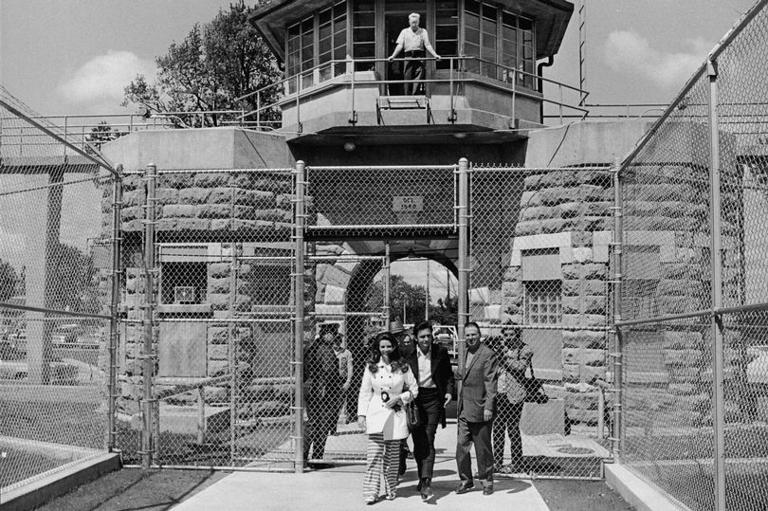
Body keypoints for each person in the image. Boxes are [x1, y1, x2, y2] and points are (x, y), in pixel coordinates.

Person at [358, 333, 418, 505]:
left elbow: (414, 389)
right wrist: (361, 414)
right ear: (378, 348)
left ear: (394, 347)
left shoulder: (403, 366)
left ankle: (391, 488)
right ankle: (371, 492)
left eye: (388, 346)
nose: (385, 350)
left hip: (395, 415)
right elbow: (365, 392)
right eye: (382, 346)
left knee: (392, 457)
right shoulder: (371, 367)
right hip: (376, 415)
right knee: (374, 455)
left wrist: (400, 398)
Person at [403, 321, 455, 501]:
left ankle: (426, 481)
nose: (426, 339)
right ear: (416, 338)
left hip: (433, 398)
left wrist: (449, 392)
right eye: (422, 336)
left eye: (428, 335)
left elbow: (449, 375)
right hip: (415, 399)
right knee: (418, 442)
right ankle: (421, 476)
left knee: (429, 438)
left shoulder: (440, 352)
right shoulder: (408, 354)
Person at [455, 322, 498, 496]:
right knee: (461, 447)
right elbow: (463, 375)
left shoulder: (488, 354)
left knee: (483, 449)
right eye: (468, 335)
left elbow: (491, 383)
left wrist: (489, 407)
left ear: (479, 335)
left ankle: (487, 481)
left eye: (474, 334)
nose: (471, 338)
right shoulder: (464, 353)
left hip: (481, 409)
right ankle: (466, 480)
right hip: (464, 409)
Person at [492, 323, 533, 473]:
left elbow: (520, 367)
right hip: (499, 393)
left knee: (513, 429)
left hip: (514, 395)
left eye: (511, 334)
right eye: (506, 335)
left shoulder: (524, 349)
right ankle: (497, 462)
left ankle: (516, 463)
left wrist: (504, 358)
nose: (508, 337)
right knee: (498, 429)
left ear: (517, 334)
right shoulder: (501, 349)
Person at [304, 323, 344, 466]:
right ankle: (317, 459)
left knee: (313, 423)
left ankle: (302, 458)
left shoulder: (311, 348)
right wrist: (337, 387)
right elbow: (330, 372)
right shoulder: (325, 349)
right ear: (327, 334)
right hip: (323, 392)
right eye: (332, 334)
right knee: (321, 425)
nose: (333, 337)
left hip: (311, 390)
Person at [388, 13, 440, 95]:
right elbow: (400, 45)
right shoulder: (404, 31)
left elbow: (427, 44)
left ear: (419, 22)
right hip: (408, 55)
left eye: (416, 22)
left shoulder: (423, 31)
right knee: (407, 76)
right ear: (409, 22)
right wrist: (393, 56)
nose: (414, 24)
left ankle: (415, 95)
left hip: (419, 55)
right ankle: (407, 96)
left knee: (418, 75)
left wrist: (435, 55)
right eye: (412, 22)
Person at [390, 319, 414, 477]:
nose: (398, 339)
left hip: (404, 395)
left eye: (400, 335)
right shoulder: (386, 351)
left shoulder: (408, 351)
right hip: (388, 395)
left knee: (403, 428)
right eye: (395, 336)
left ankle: (401, 455)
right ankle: (399, 456)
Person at [332, 334, 355, 426]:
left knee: (340, 402)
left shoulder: (346, 353)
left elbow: (350, 367)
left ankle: (334, 424)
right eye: (335, 340)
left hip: (341, 380)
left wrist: (348, 381)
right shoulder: (328, 351)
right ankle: (329, 424)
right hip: (330, 380)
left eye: (339, 340)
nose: (337, 342)